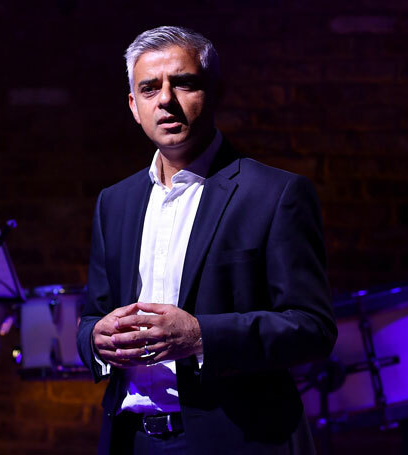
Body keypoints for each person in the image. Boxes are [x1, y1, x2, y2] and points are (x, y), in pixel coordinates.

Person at [76, 25, 337, 455]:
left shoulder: (275, 194)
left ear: (214, 92)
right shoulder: (114, 202)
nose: (165, 100)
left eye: (184, 83)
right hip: (131, 439)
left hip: (237, 439)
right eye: (149, 88)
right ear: (133, 106)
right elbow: (92, 317)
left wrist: (200, 336)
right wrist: (96, 340)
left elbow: (313, 328)